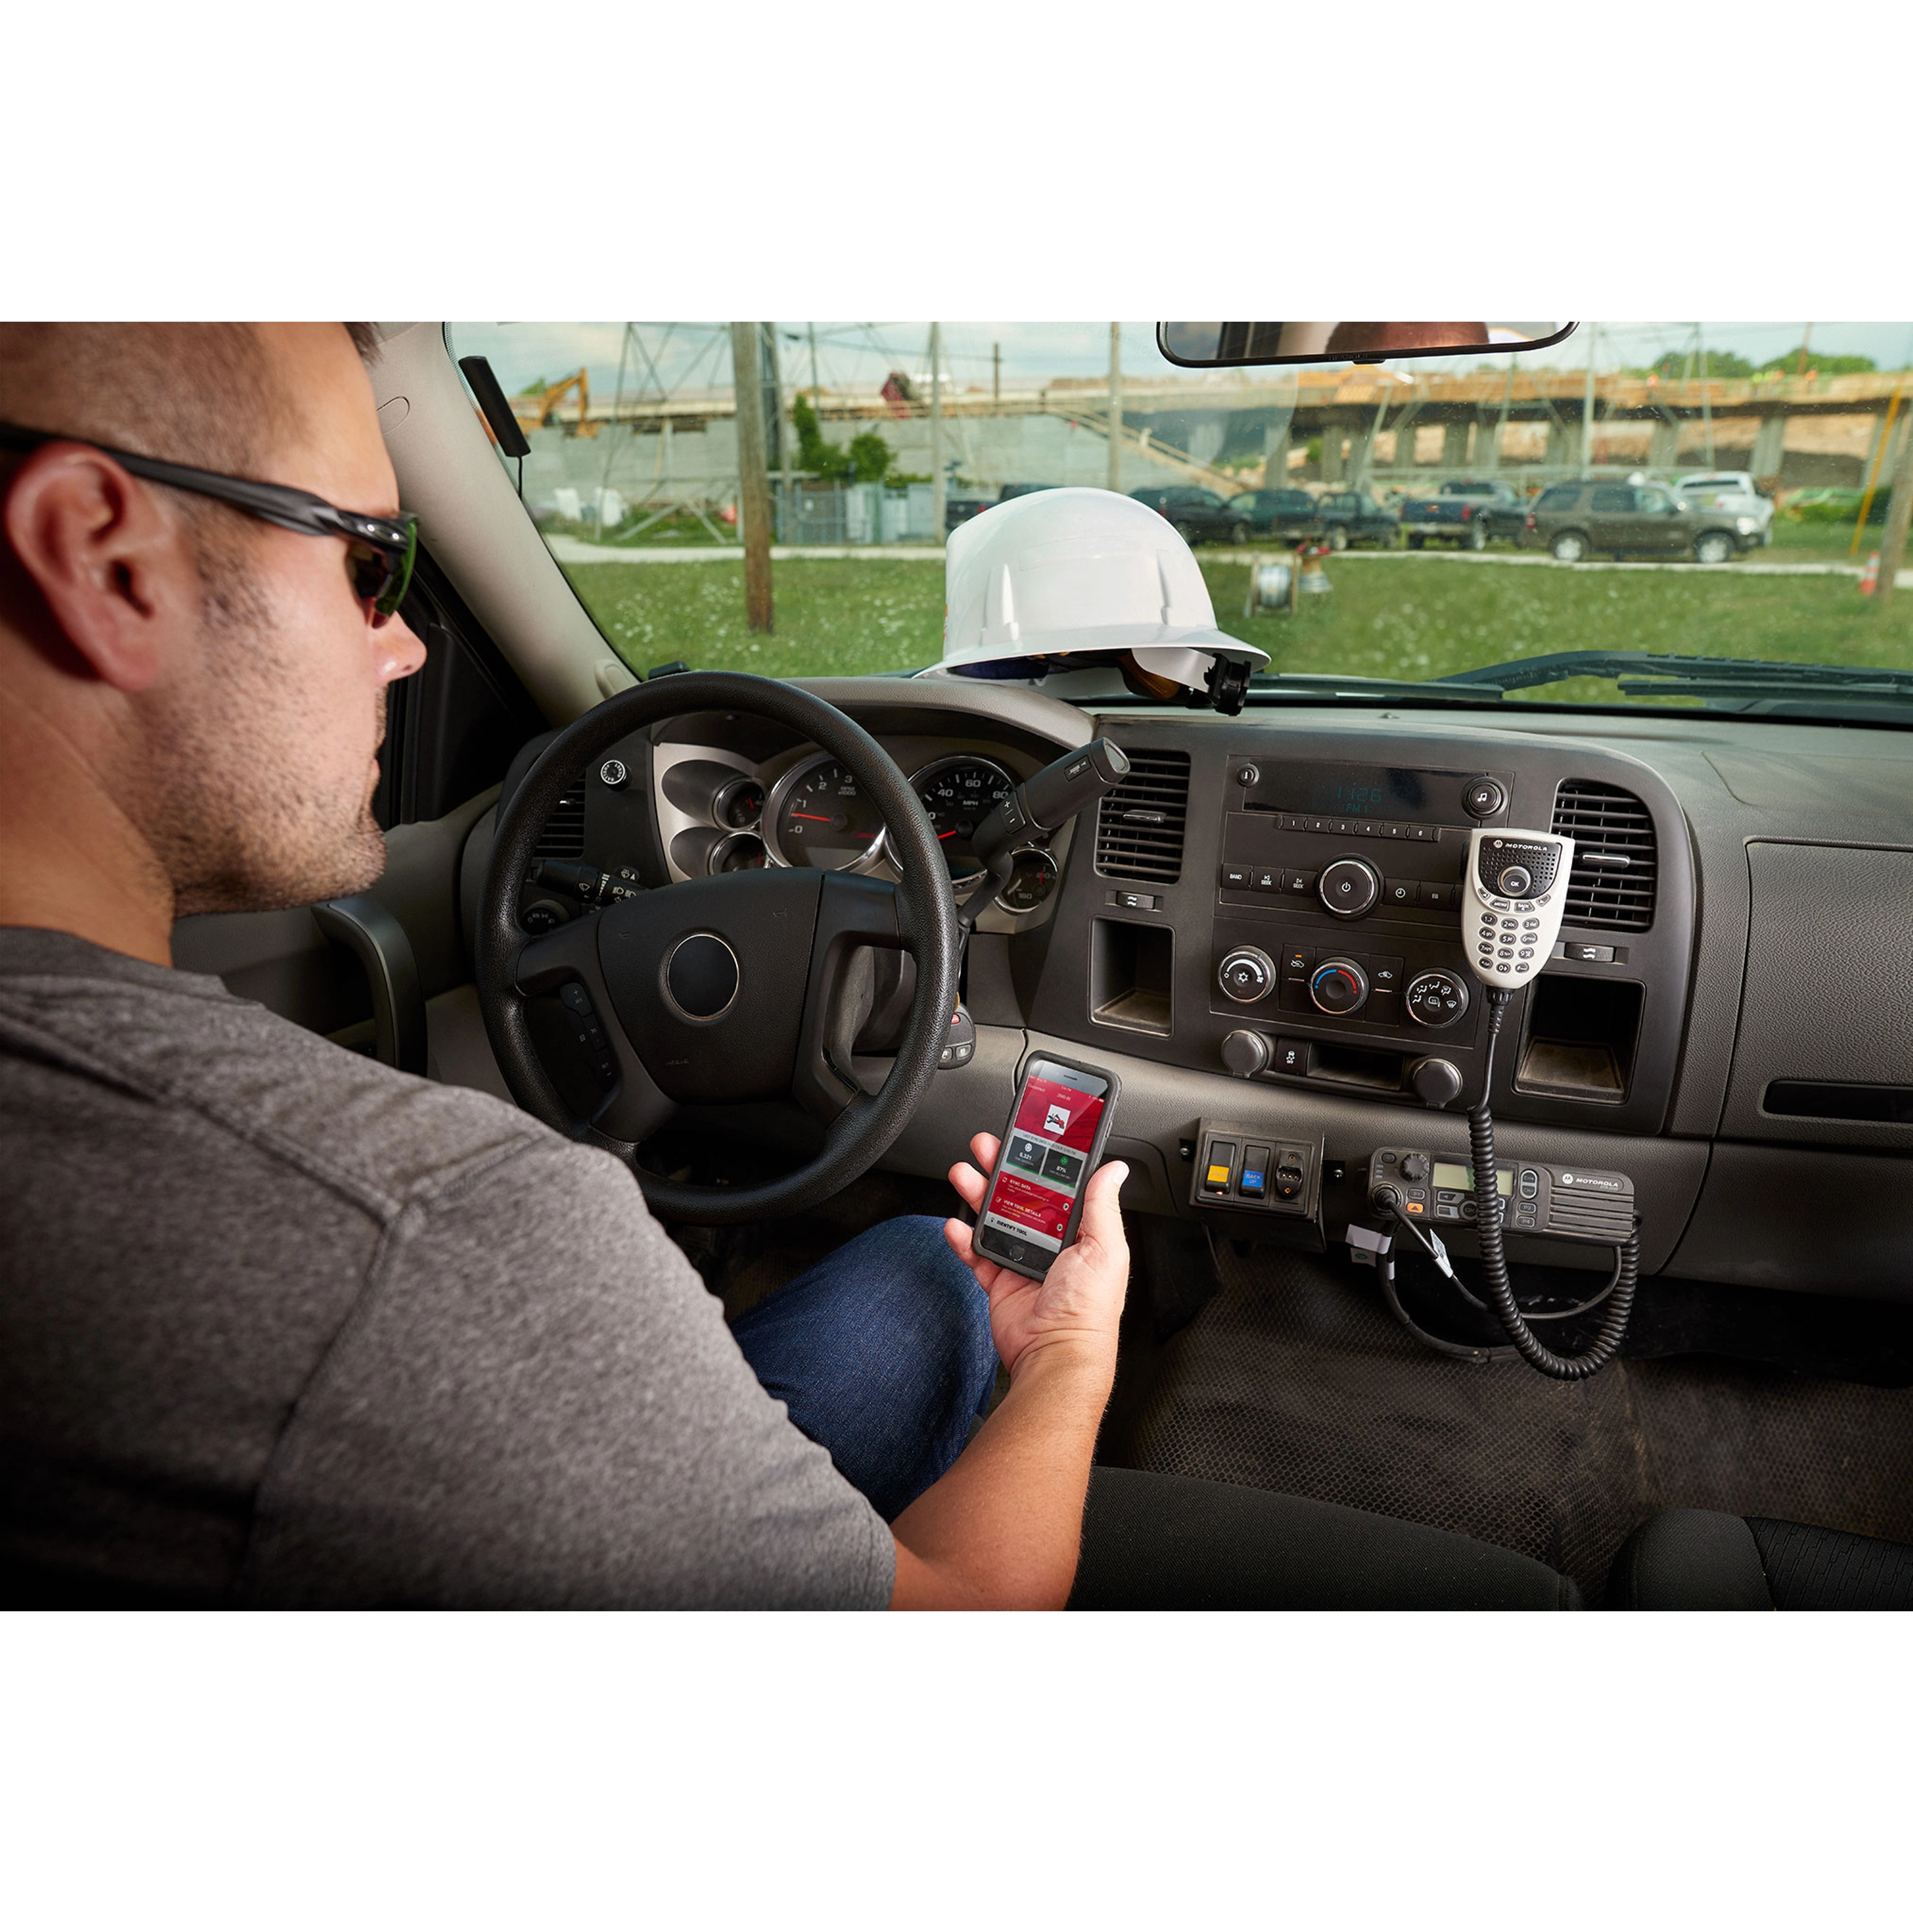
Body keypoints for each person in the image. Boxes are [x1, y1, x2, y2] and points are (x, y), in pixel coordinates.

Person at [0, 321, 1129, 1610]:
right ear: (103, 559)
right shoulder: (432, 1238)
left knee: (925, 1265)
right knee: (941, 1267)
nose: (411, 645)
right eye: (375, 562)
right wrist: (1075, 1345)